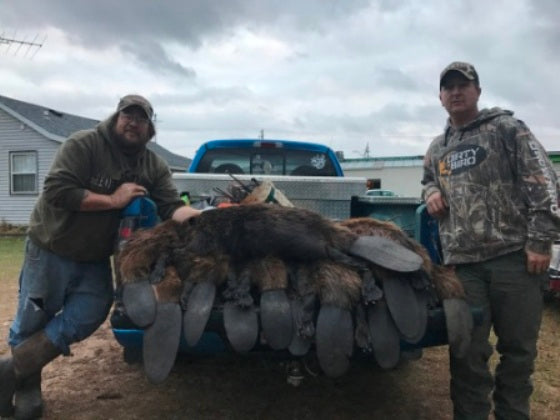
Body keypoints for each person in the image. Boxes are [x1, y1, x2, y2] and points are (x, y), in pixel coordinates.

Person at [0, 94, 200, 419]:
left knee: (91, 311)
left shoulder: (151, 165)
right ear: (116, 118)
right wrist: (112, 200)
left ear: (151, 129)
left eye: (141, 118)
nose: (132, 122)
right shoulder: (84, 144)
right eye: (127, 115)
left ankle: (11, 368)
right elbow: (57, 191)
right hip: (52, 247)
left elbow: (171, 205)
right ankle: (27, 386)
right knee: (34, 315)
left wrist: (203, 220)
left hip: (93, 255)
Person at [422, 61, 560, 419]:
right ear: (440, 97)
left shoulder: (507, 129)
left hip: (513, 258)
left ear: (477, 92)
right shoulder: (438, 148)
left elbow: (545, 183)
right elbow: (427, 181)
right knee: (466, 352)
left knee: (517, 353)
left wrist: (541, 240)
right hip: (463, 266)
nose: (455, 92)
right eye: (448, 87)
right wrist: (431, 191)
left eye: (463, 85)